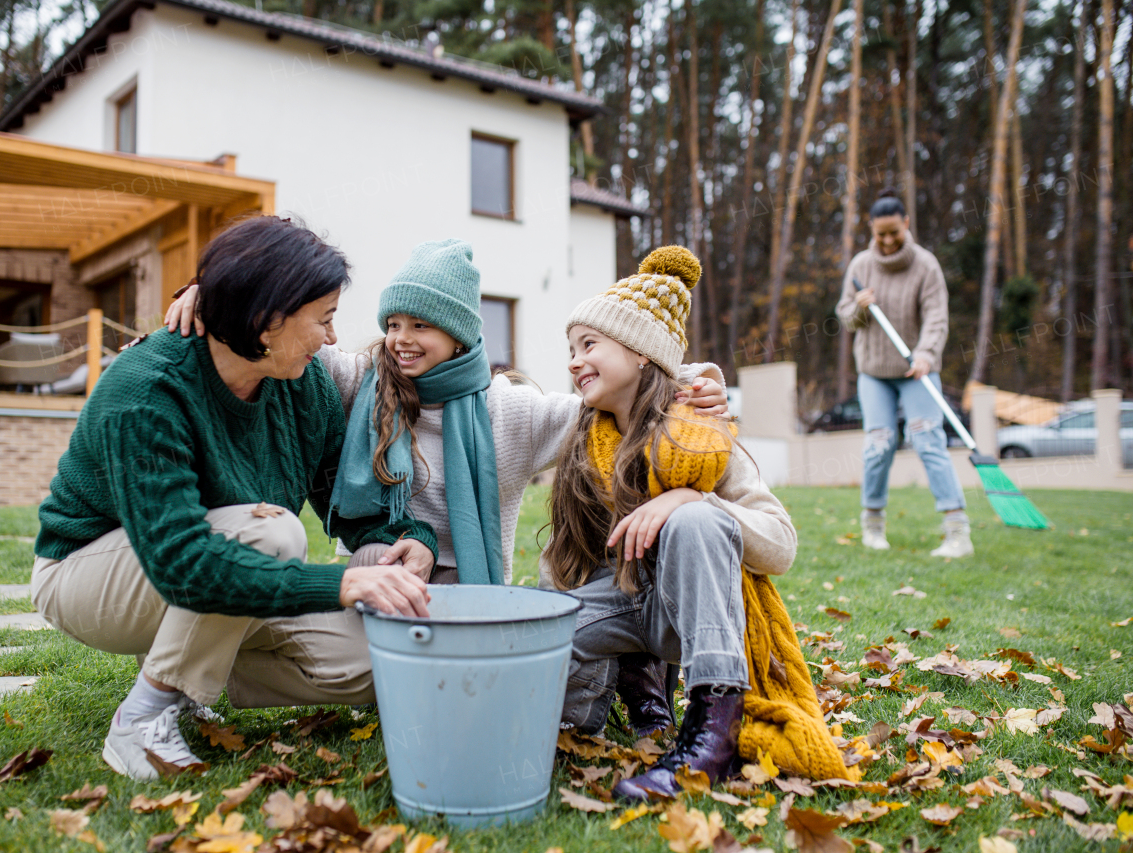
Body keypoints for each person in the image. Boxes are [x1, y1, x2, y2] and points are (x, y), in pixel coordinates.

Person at [165, 238, 730, 734]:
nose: (400, 341)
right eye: (392, 324)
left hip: (473, 595)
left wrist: (699, 382)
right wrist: (211, 296)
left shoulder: (510, 411)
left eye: (420, 326)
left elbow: (615, 389)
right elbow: (286, 339)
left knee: (468, 703)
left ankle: (622, 680)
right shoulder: (360, 381)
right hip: (381, 573)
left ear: (458, 333)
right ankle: (197, 682)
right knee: (360, 663)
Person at [31, 216, 436, 781]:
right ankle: (142, 718)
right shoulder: (148, 389)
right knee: (273, 533)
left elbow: (345, 502)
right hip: (90, 574)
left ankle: (186, 667)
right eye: (325, 319)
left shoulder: (303, 385)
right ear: (266, 321)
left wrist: (411, 541)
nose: (333, 338)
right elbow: (182, 562)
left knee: (371, 665)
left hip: (210, 571)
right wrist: (341, 583)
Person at [543, 246, 856, 801]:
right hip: (622, 606)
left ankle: (715, 730)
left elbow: (780, 545)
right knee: (538, 640)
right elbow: (564, 560)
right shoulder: (582, 439)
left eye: (588, 344)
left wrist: (690, 498)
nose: (573, 360)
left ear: (640, 354)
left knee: (693, 524)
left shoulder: (701, 433)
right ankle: (618, 693)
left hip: (691, 612)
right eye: (570, 348)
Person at [835, 188, 972, 558]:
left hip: (917, 370)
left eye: (894, 231)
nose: (888, 240)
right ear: (872, 230)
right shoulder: (861, 266)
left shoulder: (926, 265)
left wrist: (926, 354)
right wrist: (859, 308)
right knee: (879, 444)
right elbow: (845, 315)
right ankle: (873, 525)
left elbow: (937, 317)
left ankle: (957, 531)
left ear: (906, 224)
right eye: (881, 234)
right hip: (874, 373)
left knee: (929, 440)